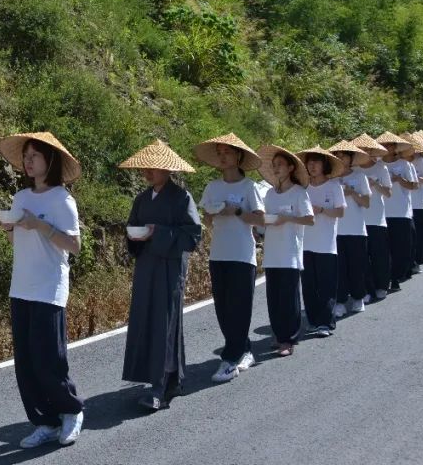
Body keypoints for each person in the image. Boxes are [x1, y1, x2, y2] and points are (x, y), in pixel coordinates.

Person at [0, 132, 85, 448]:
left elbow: (74, 246)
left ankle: (72, 410)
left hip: (49, 286)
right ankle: (45, 421)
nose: (28, 161)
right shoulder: (21, 198)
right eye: (26, 156)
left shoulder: (62, 200)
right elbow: (16, 241)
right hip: (21, 286)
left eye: (34, 156)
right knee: (25, 362)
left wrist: (41, 226)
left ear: (50, 161)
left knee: (49, 360)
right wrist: (11, 228)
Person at [119, 140, 201, 411]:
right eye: (146, 167)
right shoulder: (141, 199)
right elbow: (132, 227)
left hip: (169, 267)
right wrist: (135, 235)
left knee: (165, 323)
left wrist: (160, 232)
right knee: (145, 320)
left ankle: (161, 386)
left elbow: (193, 235)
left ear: (167, 170)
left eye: (154, 167)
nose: (148, 171)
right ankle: (158, 378)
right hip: (145, 266)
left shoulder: (182, 198)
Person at [193, 134, 264, 383]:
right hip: (219, 254)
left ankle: (230, 359)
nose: (223, 156)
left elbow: (260, 219)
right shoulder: (213, 187)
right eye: (220, 152)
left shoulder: (249, 187)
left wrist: (238, 211)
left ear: (239, 157)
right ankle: (244, 350)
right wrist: (214, 213)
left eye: (227, 152)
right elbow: (207, 219)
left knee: (239, 308)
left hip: (243, 255)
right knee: (223, 309)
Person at [256, 145, 314, 357]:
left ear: (291, 167)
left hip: (290, 252)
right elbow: (264, 220)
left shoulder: (299, 193)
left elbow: (310, 219)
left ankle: (288, 339)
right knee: (273, 298)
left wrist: (287, 218)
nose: (276, 168)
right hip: (272, 252)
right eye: (274, 165)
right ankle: (278, 335)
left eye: (280, 164)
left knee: (289, 299)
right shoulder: (270, 194)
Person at [298, 146, 347, 337]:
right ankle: (312, 320)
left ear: (324, 165)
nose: (312, 166)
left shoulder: (334, 186)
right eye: (309, 163)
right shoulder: (303, 188)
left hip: (326, 245)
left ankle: (326, 323)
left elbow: (341, 211)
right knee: (309, 286)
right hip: (305, 243)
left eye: (316, 162)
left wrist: (322, 210)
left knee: (326, 286)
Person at [330, 141, 372, 316]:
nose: (341, 158)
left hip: (356, 229)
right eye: (337, 155)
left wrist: (352, 192)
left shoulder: (360, 177)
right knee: (339, 268)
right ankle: (339, 301)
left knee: (357, 266)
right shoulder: (331, 179)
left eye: (344, 155)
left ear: (351, 158)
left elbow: (367, 202)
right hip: (335, 231)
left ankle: (358, 298)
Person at [352, 134, 393, 301]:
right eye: (360, 150)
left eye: (366, 150)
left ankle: (382, 285)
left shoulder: (381, 168)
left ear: (371, 150)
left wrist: (375, 184)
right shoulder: (354, 171)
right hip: (358, 220)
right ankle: (366, 289)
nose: (363, 153)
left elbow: (388, 192)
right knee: (362, 258)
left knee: (379, 255)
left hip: (376, 218)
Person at [376, 132, 417, 290]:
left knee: (400, 248)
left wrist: (399, 179)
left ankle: (397, 276)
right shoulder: (378, 165)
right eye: (385, 145)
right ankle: (385, 278)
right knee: (383, 250)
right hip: (381, 213)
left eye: (390, 145)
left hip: (400, 212)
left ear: (395, 148)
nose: (387, 148)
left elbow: (414, 186)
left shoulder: (405, 165)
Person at [402, 133, 423, 273]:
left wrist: (415, 179)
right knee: (408, 238)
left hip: (419, 202)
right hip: (404, 206)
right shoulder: (399, 163)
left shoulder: (419, 161)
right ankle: (407, 262)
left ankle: (417, 261)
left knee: (418, 235)